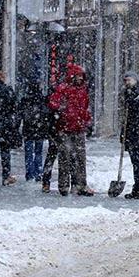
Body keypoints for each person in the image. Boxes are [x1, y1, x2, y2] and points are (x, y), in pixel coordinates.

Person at [48, 64, 94, 197]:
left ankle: (80, 184)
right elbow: (53, 103)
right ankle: (64, 185)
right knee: (65, 158)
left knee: (79, 158)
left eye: (81, 76)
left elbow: (85, 108)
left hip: (77, 128)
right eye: (78, 76)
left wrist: (86, 120)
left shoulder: (82, 91)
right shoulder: (63, 89)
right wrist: (63, 110)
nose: (80, 78)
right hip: (65, 128)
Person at [121, 71, 139, 199]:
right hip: (131, 132)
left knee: (138, 161)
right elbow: (126, 117)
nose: (127, 83)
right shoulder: (128, 93)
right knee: (136, 161)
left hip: (137, 133)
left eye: (129, 80)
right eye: (125, 80)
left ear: (135, 80)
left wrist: (131, 100)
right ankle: (138, 187)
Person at [19, 82, 49, 182]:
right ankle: (38, 173)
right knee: (38, 152)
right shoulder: (43, 100)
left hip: (28, 130)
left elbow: (21, 114)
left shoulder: (25, 100)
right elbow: (46, 114)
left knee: (28, 153)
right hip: (39, 130)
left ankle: (29, 174)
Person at [41, 85, 59, 193]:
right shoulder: (58, 99)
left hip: (54, 130)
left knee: (51, 157)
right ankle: (47, 181)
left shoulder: (51, 99)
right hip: (58, 130)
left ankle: (46, 182)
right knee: (57, 157)